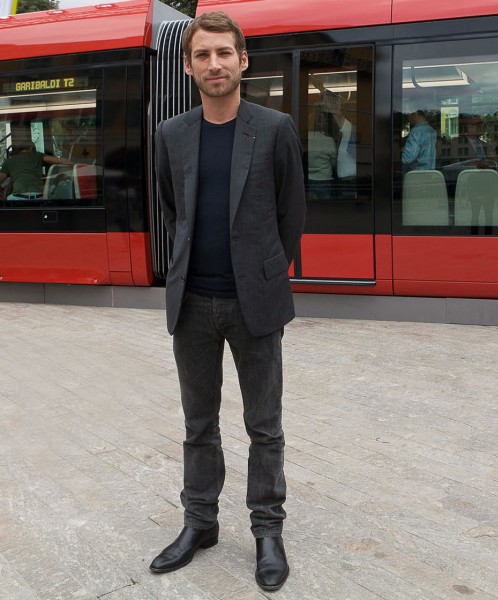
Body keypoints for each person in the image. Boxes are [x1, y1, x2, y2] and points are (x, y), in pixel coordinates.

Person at [150, 11, 306, 593]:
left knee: (264, 426)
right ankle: (200, 523)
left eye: (223, 53)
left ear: (243, 60)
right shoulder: (171, 134)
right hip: (192, 303)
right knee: (199, 425)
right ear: (189, 66)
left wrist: (262, 271)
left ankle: (268, 531)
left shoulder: (275, 128)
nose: (213, 64)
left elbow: (291, 215)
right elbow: (173, 210)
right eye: (202, 55)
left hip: (254, 304)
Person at [0, 144, 71, 200]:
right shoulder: (38, 155)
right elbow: (58, 160)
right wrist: (74, 165)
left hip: (18, 198)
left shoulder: (9, 161)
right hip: (39, 197)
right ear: (31, 147)